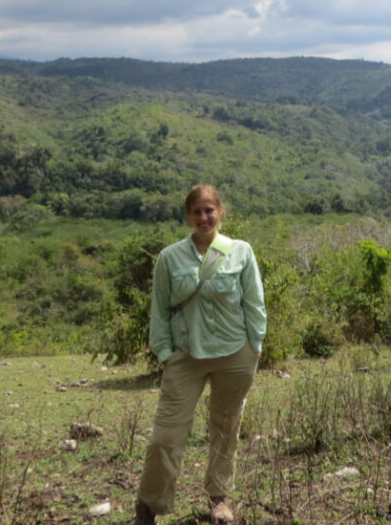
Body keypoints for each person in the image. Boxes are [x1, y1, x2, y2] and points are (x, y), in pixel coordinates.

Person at [135, 184, 266, 525]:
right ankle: (149, 504)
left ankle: (219, 498)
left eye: (210, 210)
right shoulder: (170, 257)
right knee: (166, 435)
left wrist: (256, 346)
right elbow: (159, 310)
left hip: (235, 354)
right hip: (186, 356)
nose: (204, 217)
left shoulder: (240, 251)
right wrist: (165, 353)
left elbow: (254, 302)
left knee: (226, 427)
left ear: (220, 211)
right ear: (188, 216)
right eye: (197, 211)